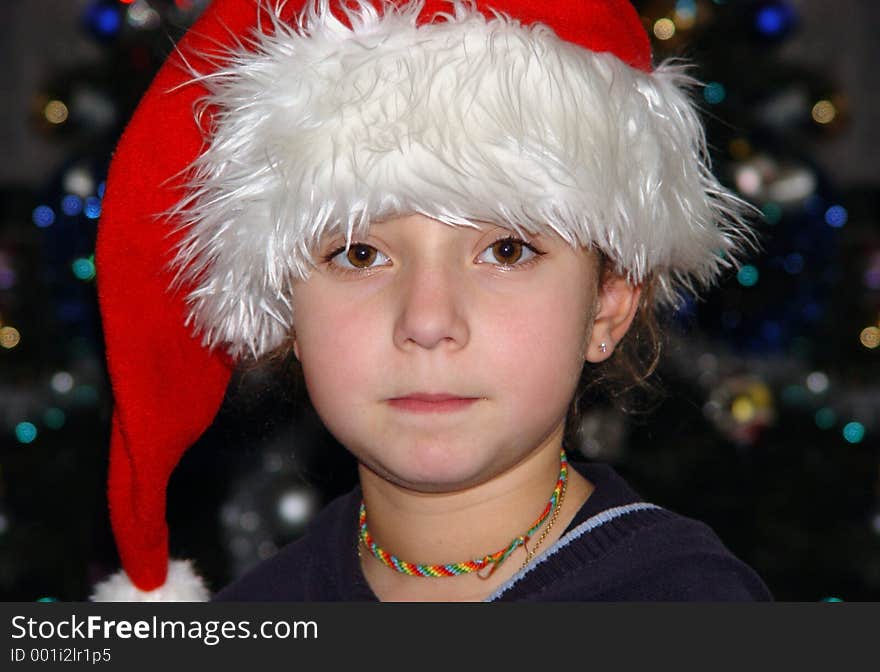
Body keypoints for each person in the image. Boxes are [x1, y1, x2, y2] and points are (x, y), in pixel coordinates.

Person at [91, 0, 772, 601]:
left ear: (608, 306)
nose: (426, 321)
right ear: (284, 309)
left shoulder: (684, 601)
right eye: (359, 254)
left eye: (506, 251)